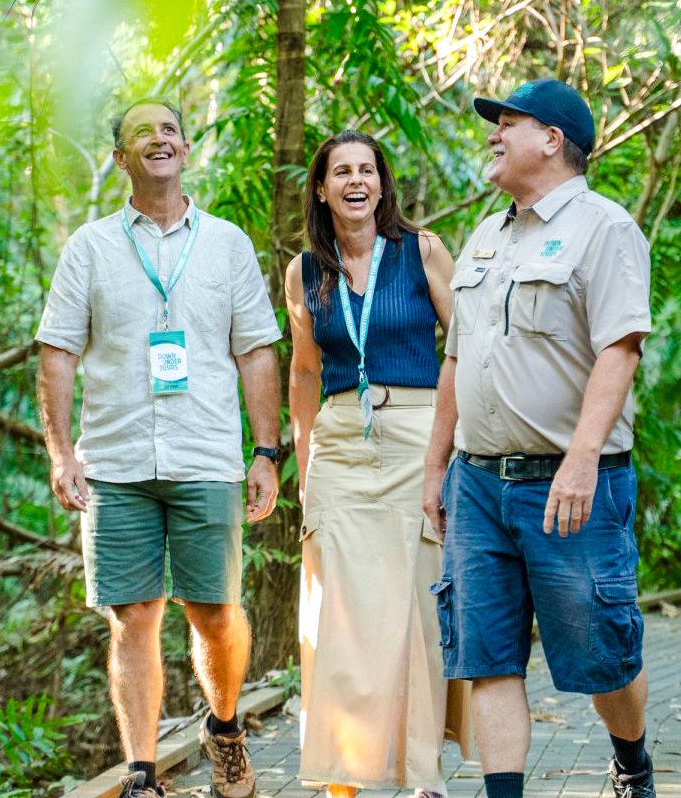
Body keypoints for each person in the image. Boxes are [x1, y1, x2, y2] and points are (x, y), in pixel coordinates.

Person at [35, 98, 283, 798]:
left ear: (186, 149)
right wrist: (62, 453)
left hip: (206, 453)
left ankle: (225, 727)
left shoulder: (227, 244)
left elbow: (257, 352)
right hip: (115, 462)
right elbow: (56, 355)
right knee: (133, 615)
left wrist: (266, 452)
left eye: (169, 129)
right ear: (121, 158)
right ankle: (143, 774)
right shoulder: (89, 247)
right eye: (143, 132)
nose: (159, 139)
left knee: (214, 611)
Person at [422, 79, 655, 798]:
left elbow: (620, 349)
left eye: (507, 123)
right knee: (487, 656)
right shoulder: (486, 237)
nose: (493, 134)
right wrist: (436, 467)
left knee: (601, 653)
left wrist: (583, 459)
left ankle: (633, 761)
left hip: (570, 481)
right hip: (480, 482)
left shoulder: (606, 229)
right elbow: (457, 361)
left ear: (551, 139)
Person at [284, 130, 466, 798]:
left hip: (417, 439)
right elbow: (304, 373)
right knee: (335, 609)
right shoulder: (305, 270)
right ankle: (344, 773)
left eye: (367, 170)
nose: (355, 181)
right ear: (322, 188)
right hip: (337, 446)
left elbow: (465, 348)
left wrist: (451, 453)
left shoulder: (423, 251)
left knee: (417, 607)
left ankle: (422, 774)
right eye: (341, 171)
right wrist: (304, 468)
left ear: (383, 185)